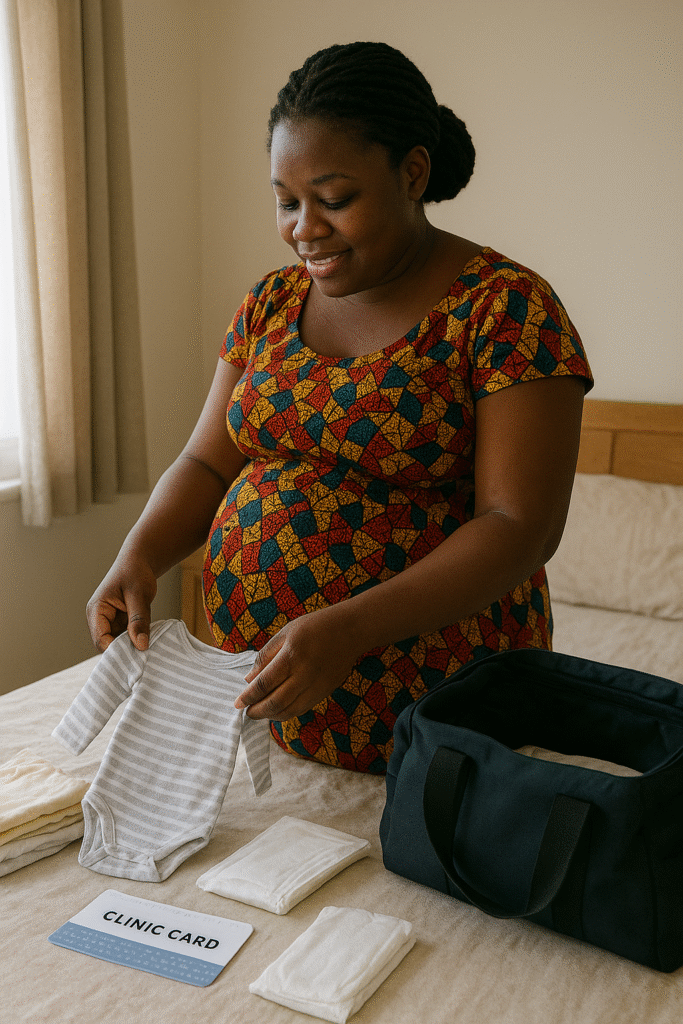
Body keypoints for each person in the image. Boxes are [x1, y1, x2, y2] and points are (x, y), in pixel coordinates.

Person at [87, 41, 592, 775]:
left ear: (411, 172)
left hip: (432, 705)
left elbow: (518, 528)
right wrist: (138, 555)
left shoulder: (505, 309)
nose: (304, 228)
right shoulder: (271, 302)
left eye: (334, 199)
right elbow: (206, 460)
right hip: (260, 698)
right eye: (287, 202)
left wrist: (348, 628)